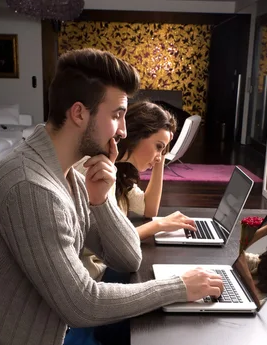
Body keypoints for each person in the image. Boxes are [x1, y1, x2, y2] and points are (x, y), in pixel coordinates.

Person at [0, 48, 223, 345]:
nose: (122, 129)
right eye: (116, 114)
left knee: (159, 336)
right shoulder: (32, 187)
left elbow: (127, 256)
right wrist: (178, 286)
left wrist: (101, 198)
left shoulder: (64, 167)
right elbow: (81, 305)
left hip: (54, 324)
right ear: (79, 113)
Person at [75, 100, 196, 281]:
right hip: (93, 276)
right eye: (158, 146)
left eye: (163, 150)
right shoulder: (97, 169)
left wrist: (160, 156)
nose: (159, 156)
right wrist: (159, 225)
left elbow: (148, 208)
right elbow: (114, 244)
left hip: (106, 265)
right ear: (138, 134)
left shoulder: (119, 168)